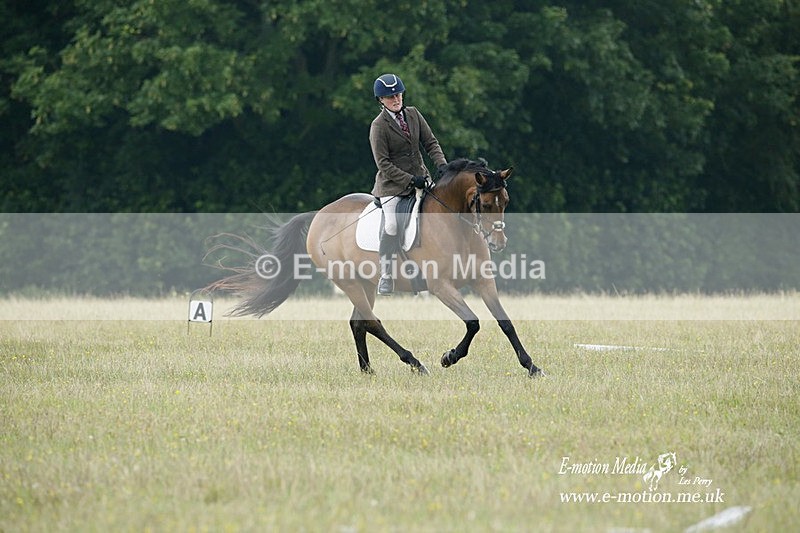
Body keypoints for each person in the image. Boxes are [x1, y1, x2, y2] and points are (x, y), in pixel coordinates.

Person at [369, 73, 447, 295]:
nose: (396, 99)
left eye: (398, 94)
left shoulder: (413, 114)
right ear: (381, 100)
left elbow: (430, 142)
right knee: (392, 225)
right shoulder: (378, 126)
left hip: (423, 179)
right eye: (390, 96)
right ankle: (386, 274)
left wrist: (442, 165)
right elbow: (383, 164)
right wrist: (410, 180)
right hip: (392, 186)